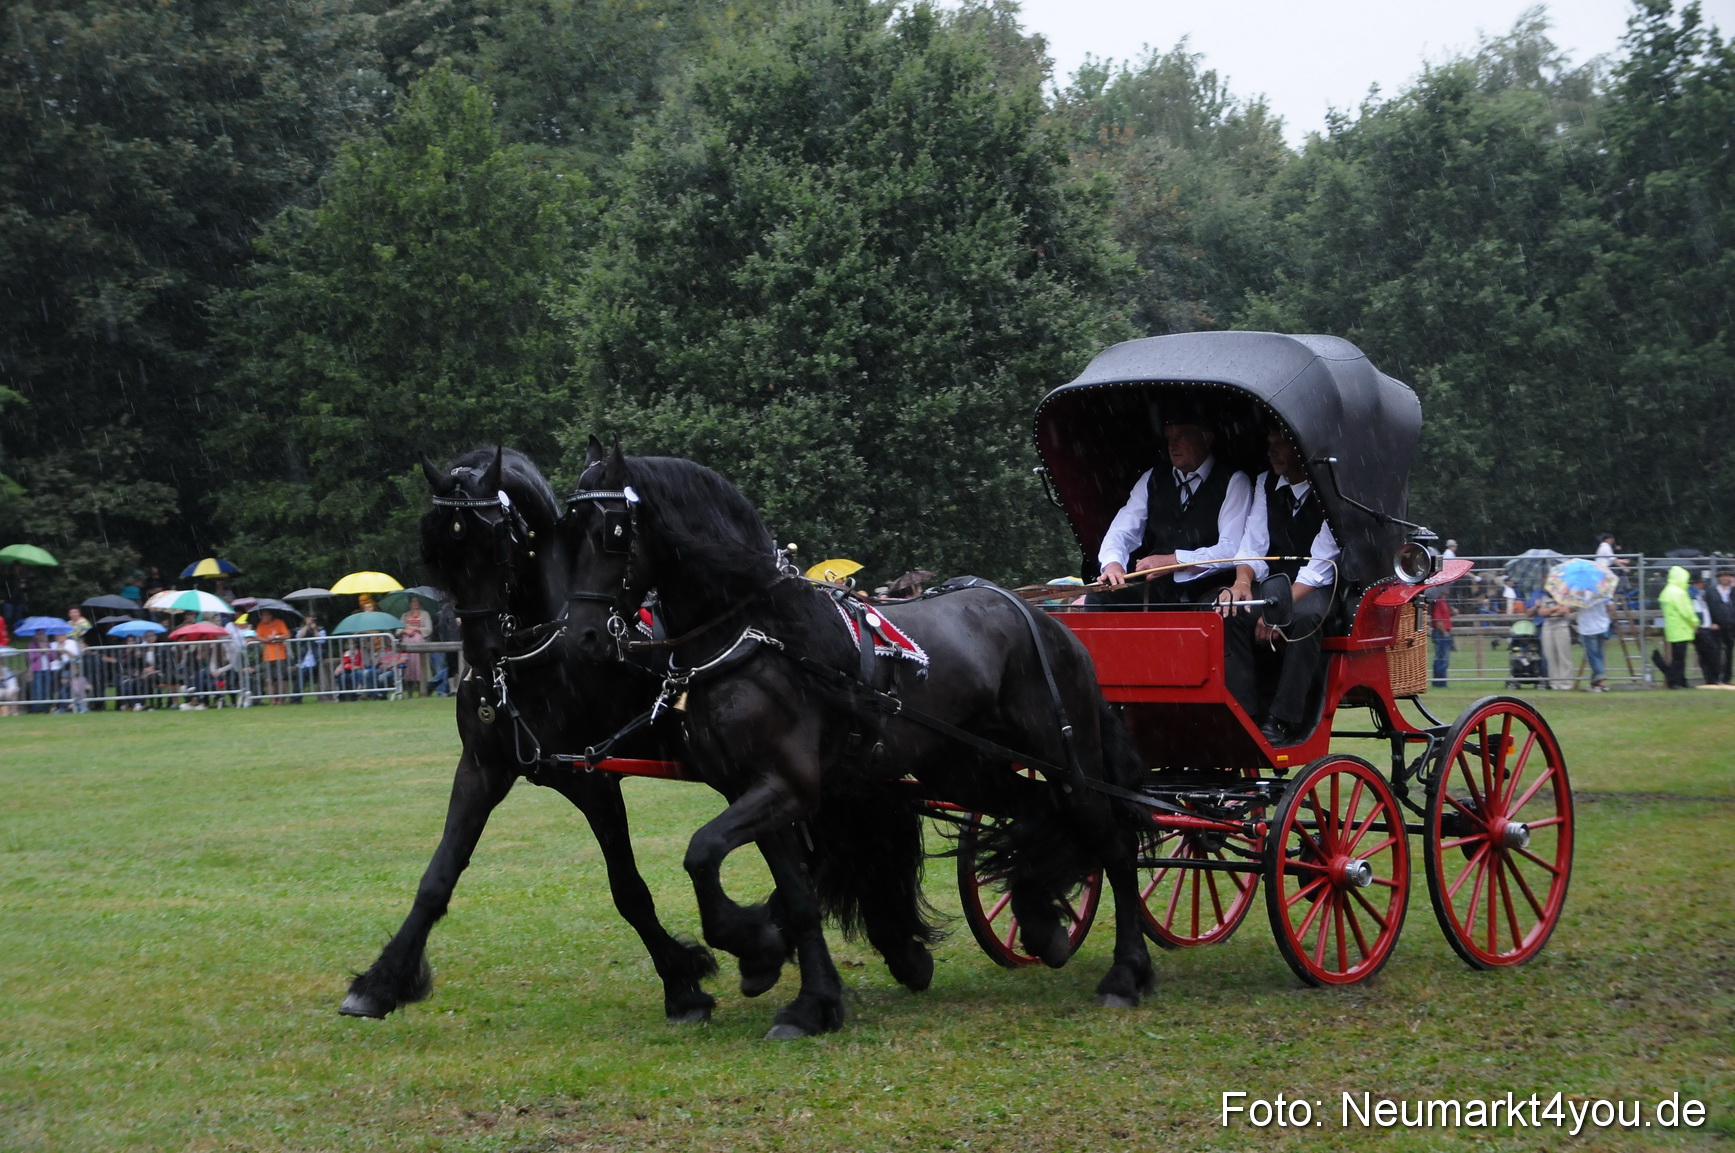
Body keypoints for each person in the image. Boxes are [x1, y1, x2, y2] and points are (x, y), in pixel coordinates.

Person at [1220, 426, 1342, 746]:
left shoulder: (1330, 489)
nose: (1271, 452)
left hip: (1317, 587)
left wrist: (1278, 606)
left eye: (1280, 445)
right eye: (1269, 444)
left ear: (1302, 449)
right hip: (1275, 582)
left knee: (1304, 620)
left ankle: (1283, 719)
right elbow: (1253, 544)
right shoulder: (1266, 482)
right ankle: (1243, 711)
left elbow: (1321, 565)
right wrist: (1242, 582)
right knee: (1227, 609)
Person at [1092, 409, 1253, 606]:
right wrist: (1113, 564)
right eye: (1169, 437)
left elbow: (1231, 550)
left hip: (1209, 591)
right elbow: (1122, 531)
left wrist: (1174, 561)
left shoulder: (1234, 481)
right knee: (1099, 598)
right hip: (1158, 591)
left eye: (1182, 436)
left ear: (1207, 439)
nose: (1172, 445)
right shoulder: (1152, 478)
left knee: (1222, 609)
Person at [1652, 565, 1695, 689]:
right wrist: (1695, 622)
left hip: (1672, 629)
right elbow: (1686, 611)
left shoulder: (1667, 591)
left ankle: (1680, 681)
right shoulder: (1679, 593)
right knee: (1679, 659)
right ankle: (1675, 681)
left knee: (1678, 658)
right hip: (1682, 629)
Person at [1533, 589, 1574, 691]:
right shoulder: (1544, 598)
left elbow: (1564, 610)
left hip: (1561, 626)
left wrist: (1550, 611)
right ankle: (1554, 683)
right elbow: (1542, 612)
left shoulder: (1565, 597)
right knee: (1550, 655)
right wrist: (1555, 609)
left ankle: (1565, 683)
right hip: (1548, 627)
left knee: (1563, 655)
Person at [1575, 588, 1612, 691]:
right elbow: (1610, 606)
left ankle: (1601, 679)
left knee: (1592, 655)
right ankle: (1596, 683)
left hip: (1587, 628)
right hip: (1602, 625)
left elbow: (1572, 608)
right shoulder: (1602, 590)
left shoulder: (1579, 593)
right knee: (1599, 655)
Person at [254, 609, 292, 702]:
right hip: (267, 656)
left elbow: (287, 635)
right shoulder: (261, 625)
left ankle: (281, 700)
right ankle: (272, 699)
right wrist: (265, 639)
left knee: (281, 678)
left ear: (270, 615)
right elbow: (257, 636)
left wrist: (276, 637)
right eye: (262, 615)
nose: (264, 617)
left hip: (280, 655)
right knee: (268, 679)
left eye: (266, 615)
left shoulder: (279, 623)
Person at [398, 595, 431, 697]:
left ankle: (422, 691)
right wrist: (405, 630)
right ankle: (409, 693)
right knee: (408, 668)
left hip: (419, 645)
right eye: (413, 601)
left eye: (417, 601)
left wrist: (416, 629)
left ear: (419, 603)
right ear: (410, 603)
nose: (415, 603)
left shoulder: (425, 614)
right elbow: (398, 629)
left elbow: (429, 629)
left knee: (420, 667)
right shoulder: (404, 616)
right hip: (406, 645)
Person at [1707, 570, 1735, 686]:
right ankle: (1715, 676)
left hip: (1731, 625)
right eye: (1723, 576)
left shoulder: (1732, 591)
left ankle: (1726, 677)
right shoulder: (1712, 592)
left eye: (1728, 576)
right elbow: (1707, 608)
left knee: (1729, 652)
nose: (1725, 578)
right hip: (1717, 626)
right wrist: (1711, 622)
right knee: (1716, 651)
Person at [1429, 590, 1453, 688]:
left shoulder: (1443, 602)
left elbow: (1443, 616)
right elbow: (1438, 620)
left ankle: (1439, 682)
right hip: (1441, 633)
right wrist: (1444, 632)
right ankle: (1440, 683)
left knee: (1441, 658)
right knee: (1442, 658)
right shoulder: (1438, 602)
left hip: (1442, 632)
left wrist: (1452, 612)